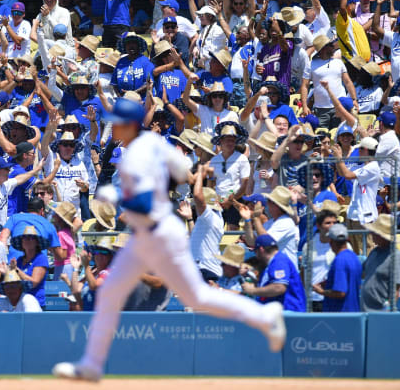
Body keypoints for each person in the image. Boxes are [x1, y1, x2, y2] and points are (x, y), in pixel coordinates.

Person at [53, 98, 286, 382]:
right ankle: (91, 364)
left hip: (161, 233)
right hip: (146, 235)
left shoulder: (142, 152)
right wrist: (198, 173)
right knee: (114, 293)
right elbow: (184, 171)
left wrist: (114, 197)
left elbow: (146, 197)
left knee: (194, 296)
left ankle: (265, 317)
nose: (112, 125)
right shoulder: (148, 146)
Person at [332, 137, 380, 254]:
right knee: (355, 252)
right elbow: (342, 173)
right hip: (354, 215)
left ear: (366, 150)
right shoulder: (364, 166)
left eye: (361, 149)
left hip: (365, 216)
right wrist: (337, 158)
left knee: (366, 250)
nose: (358, 151)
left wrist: (339, 158)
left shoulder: (373, 167)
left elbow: (347, 175)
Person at [300, 35, 356, 128]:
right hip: (320, 108)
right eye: (330, 44)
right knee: (322, 136)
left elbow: (348, 82)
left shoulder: (338, 62)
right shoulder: (310, 65)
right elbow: (305, 86)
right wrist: (305, 106)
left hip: (340, 107)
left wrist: (354, 100)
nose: (333, 46)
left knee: (340, 134)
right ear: (323, 48)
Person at [180, 163, 223, 281]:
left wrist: (199, 174)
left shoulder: (209, 216)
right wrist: (189, 218)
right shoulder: (208, 218)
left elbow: (198, 195)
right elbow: (196, 235)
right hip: (201, 269)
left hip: (206, 271)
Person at [241, 234, 306, 312]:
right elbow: (269, 284)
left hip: (289, 312)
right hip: (280, 312)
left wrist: (253, 290)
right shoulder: (272, 262)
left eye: (255, 251)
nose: (256, 255)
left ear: (261, 250)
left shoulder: (279, 261)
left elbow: (279, 287)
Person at [241, 185, 299, 269]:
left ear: (277, 206)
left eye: (269, 201)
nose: (267, 203)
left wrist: (256, 218)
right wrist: (247, 220)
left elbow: (266, 242)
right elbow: (252, 242)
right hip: (275, 268)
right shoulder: (270, 223)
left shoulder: (286, 222)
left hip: (287, 271)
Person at [0, 155, 43, 226]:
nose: (9, 171)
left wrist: (37, 169)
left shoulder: (4, 184)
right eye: (6, 169)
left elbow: (19, 178)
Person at [360, 214, 400, 311]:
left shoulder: (395, 256)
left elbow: (397, 289)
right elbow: (362, 272)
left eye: (374, 232)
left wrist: (387, 312)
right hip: (366, 309)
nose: (371, 234)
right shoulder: (374, 252)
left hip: (380, 312)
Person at [313, 224, 361, 312]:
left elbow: (340, 292)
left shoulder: (339, 260)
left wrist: (321, 291)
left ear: (331, 241)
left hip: (339, 316)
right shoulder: (354, 257)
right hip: (353, 313)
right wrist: (328, 283)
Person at [302, 206, 339, 311]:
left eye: (334, 223)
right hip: (311, 299)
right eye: (328, 223)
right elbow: (303, 271)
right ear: (318, 225)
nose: (332, 226)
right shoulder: (308, 246)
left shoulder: (343, 245)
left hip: (332, 298)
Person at [9, 225, 50, 307]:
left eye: (31, 238)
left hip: (36, 303)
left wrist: (16, 270)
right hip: (20, 304)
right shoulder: (20, 260)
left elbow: (33, 283)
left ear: (37, 242)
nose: (27, 240)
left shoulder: (41, 259)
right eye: (25, 238)